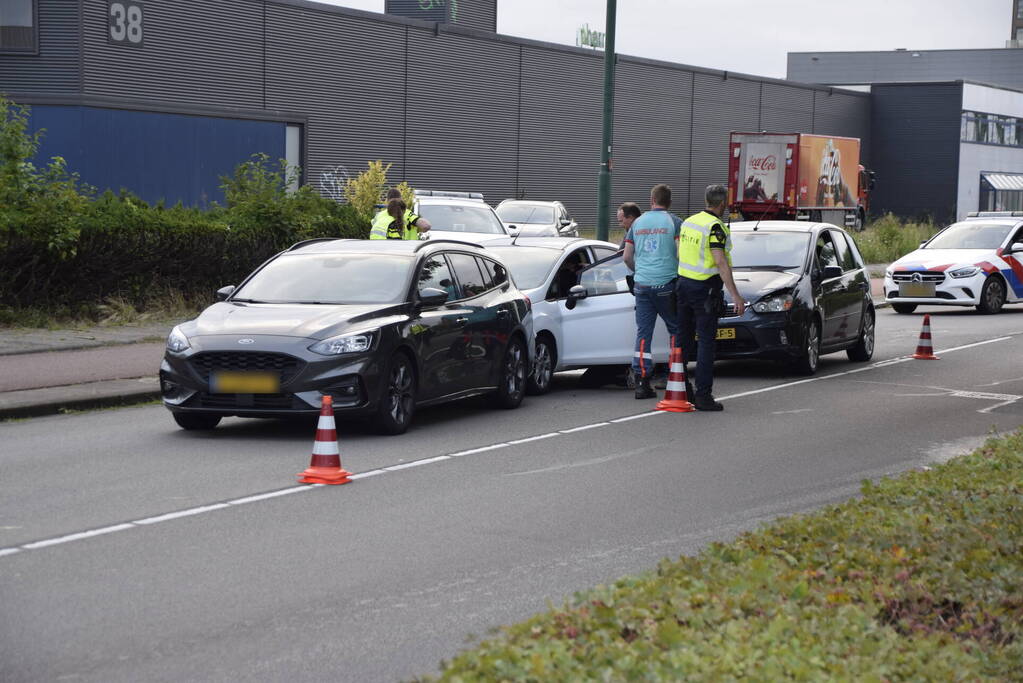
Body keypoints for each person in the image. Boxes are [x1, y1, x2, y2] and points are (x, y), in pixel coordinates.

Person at [675, 184, 747, 411]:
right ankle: (703, 396)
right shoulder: (715, 227)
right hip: (704, 289)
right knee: (706, 342)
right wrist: (736, 295)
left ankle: (679, 388)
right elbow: (720, 261)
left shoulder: (689, 221)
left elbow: (680, 251)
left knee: (683, 340)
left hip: (683, 285)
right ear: (722, 203)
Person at [622, 184, 681, 399]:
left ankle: (641, 381)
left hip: (642, 285)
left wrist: (641, 272)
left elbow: (627, 257)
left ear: (651, 200)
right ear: (669, 202)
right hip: (666, 284)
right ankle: (676, 375)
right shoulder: (674, 222)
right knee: (675, 329)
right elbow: (680, 253)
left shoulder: (637, 223)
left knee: (643, 333)